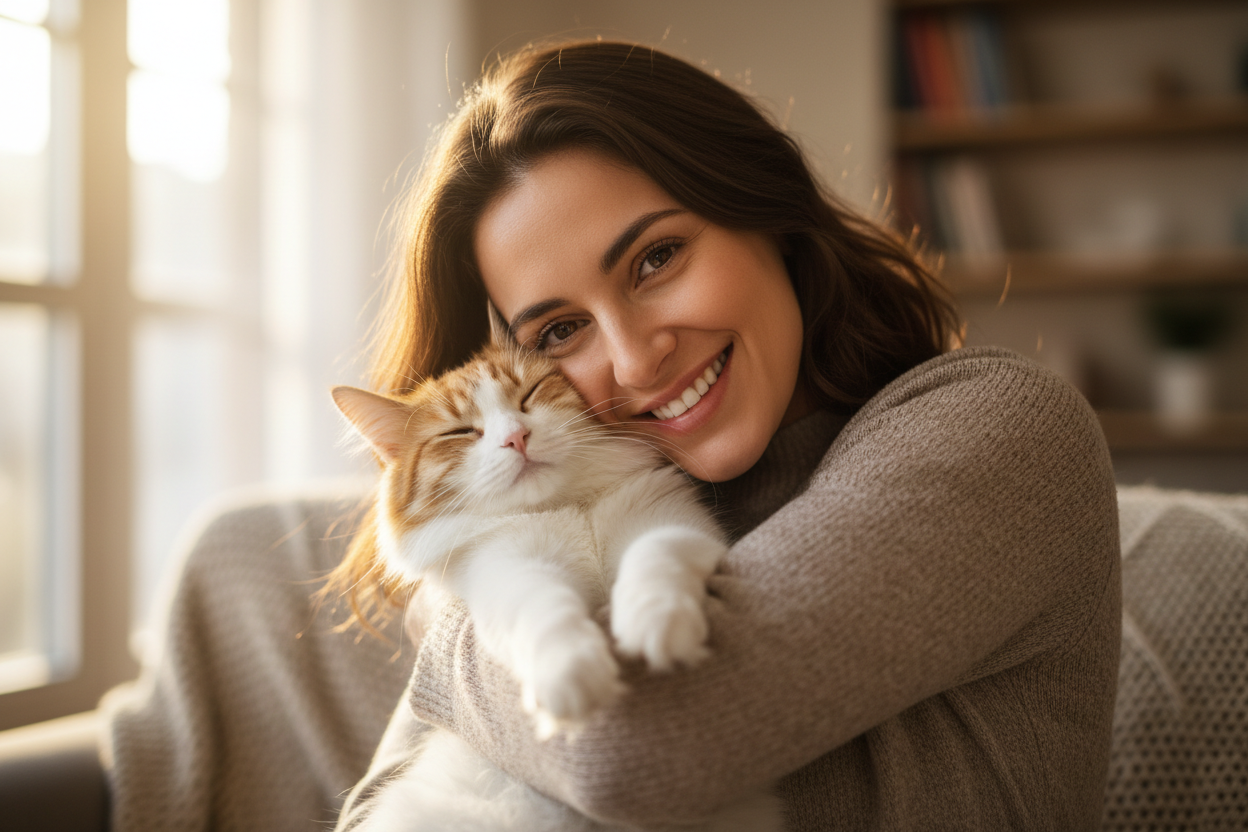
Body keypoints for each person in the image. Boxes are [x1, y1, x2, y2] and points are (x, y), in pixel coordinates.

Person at [102, 38, 1120, 831]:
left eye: (655, 258)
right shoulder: (591, 494)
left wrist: (455, 605)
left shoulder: (997, 428)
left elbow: (635, 755)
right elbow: (377, 811)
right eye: (559, 329)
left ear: (765, 210)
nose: (633, 360)